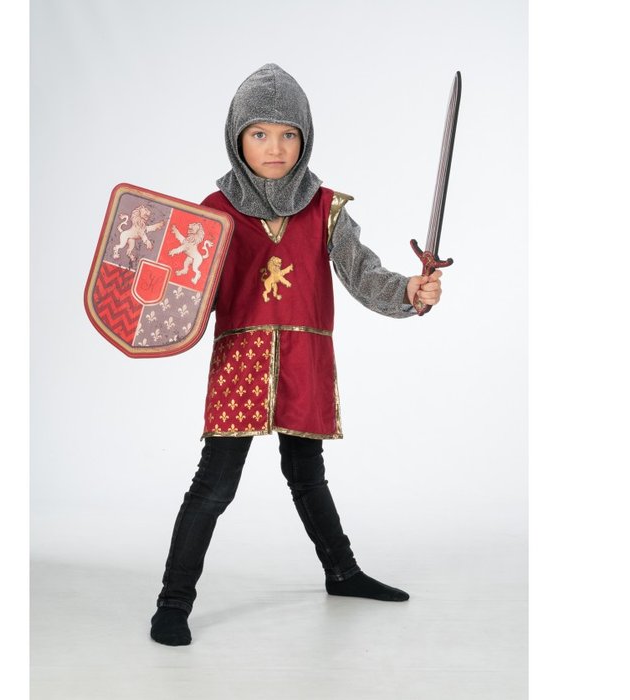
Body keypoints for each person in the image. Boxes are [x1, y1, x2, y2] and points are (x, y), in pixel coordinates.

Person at [150, 63, 443, 646]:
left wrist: (410, 291)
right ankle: (173, 602)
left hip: (305, 359)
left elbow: (364, 274)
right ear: (237, 137)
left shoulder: (326, 207)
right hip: (241, 362)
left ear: (305, 138)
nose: (275, 147)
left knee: (307, 474)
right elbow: (181, 291)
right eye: (260, 133)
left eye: (288, 134)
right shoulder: (213, 211)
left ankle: (343, 572)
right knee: (214, 485)